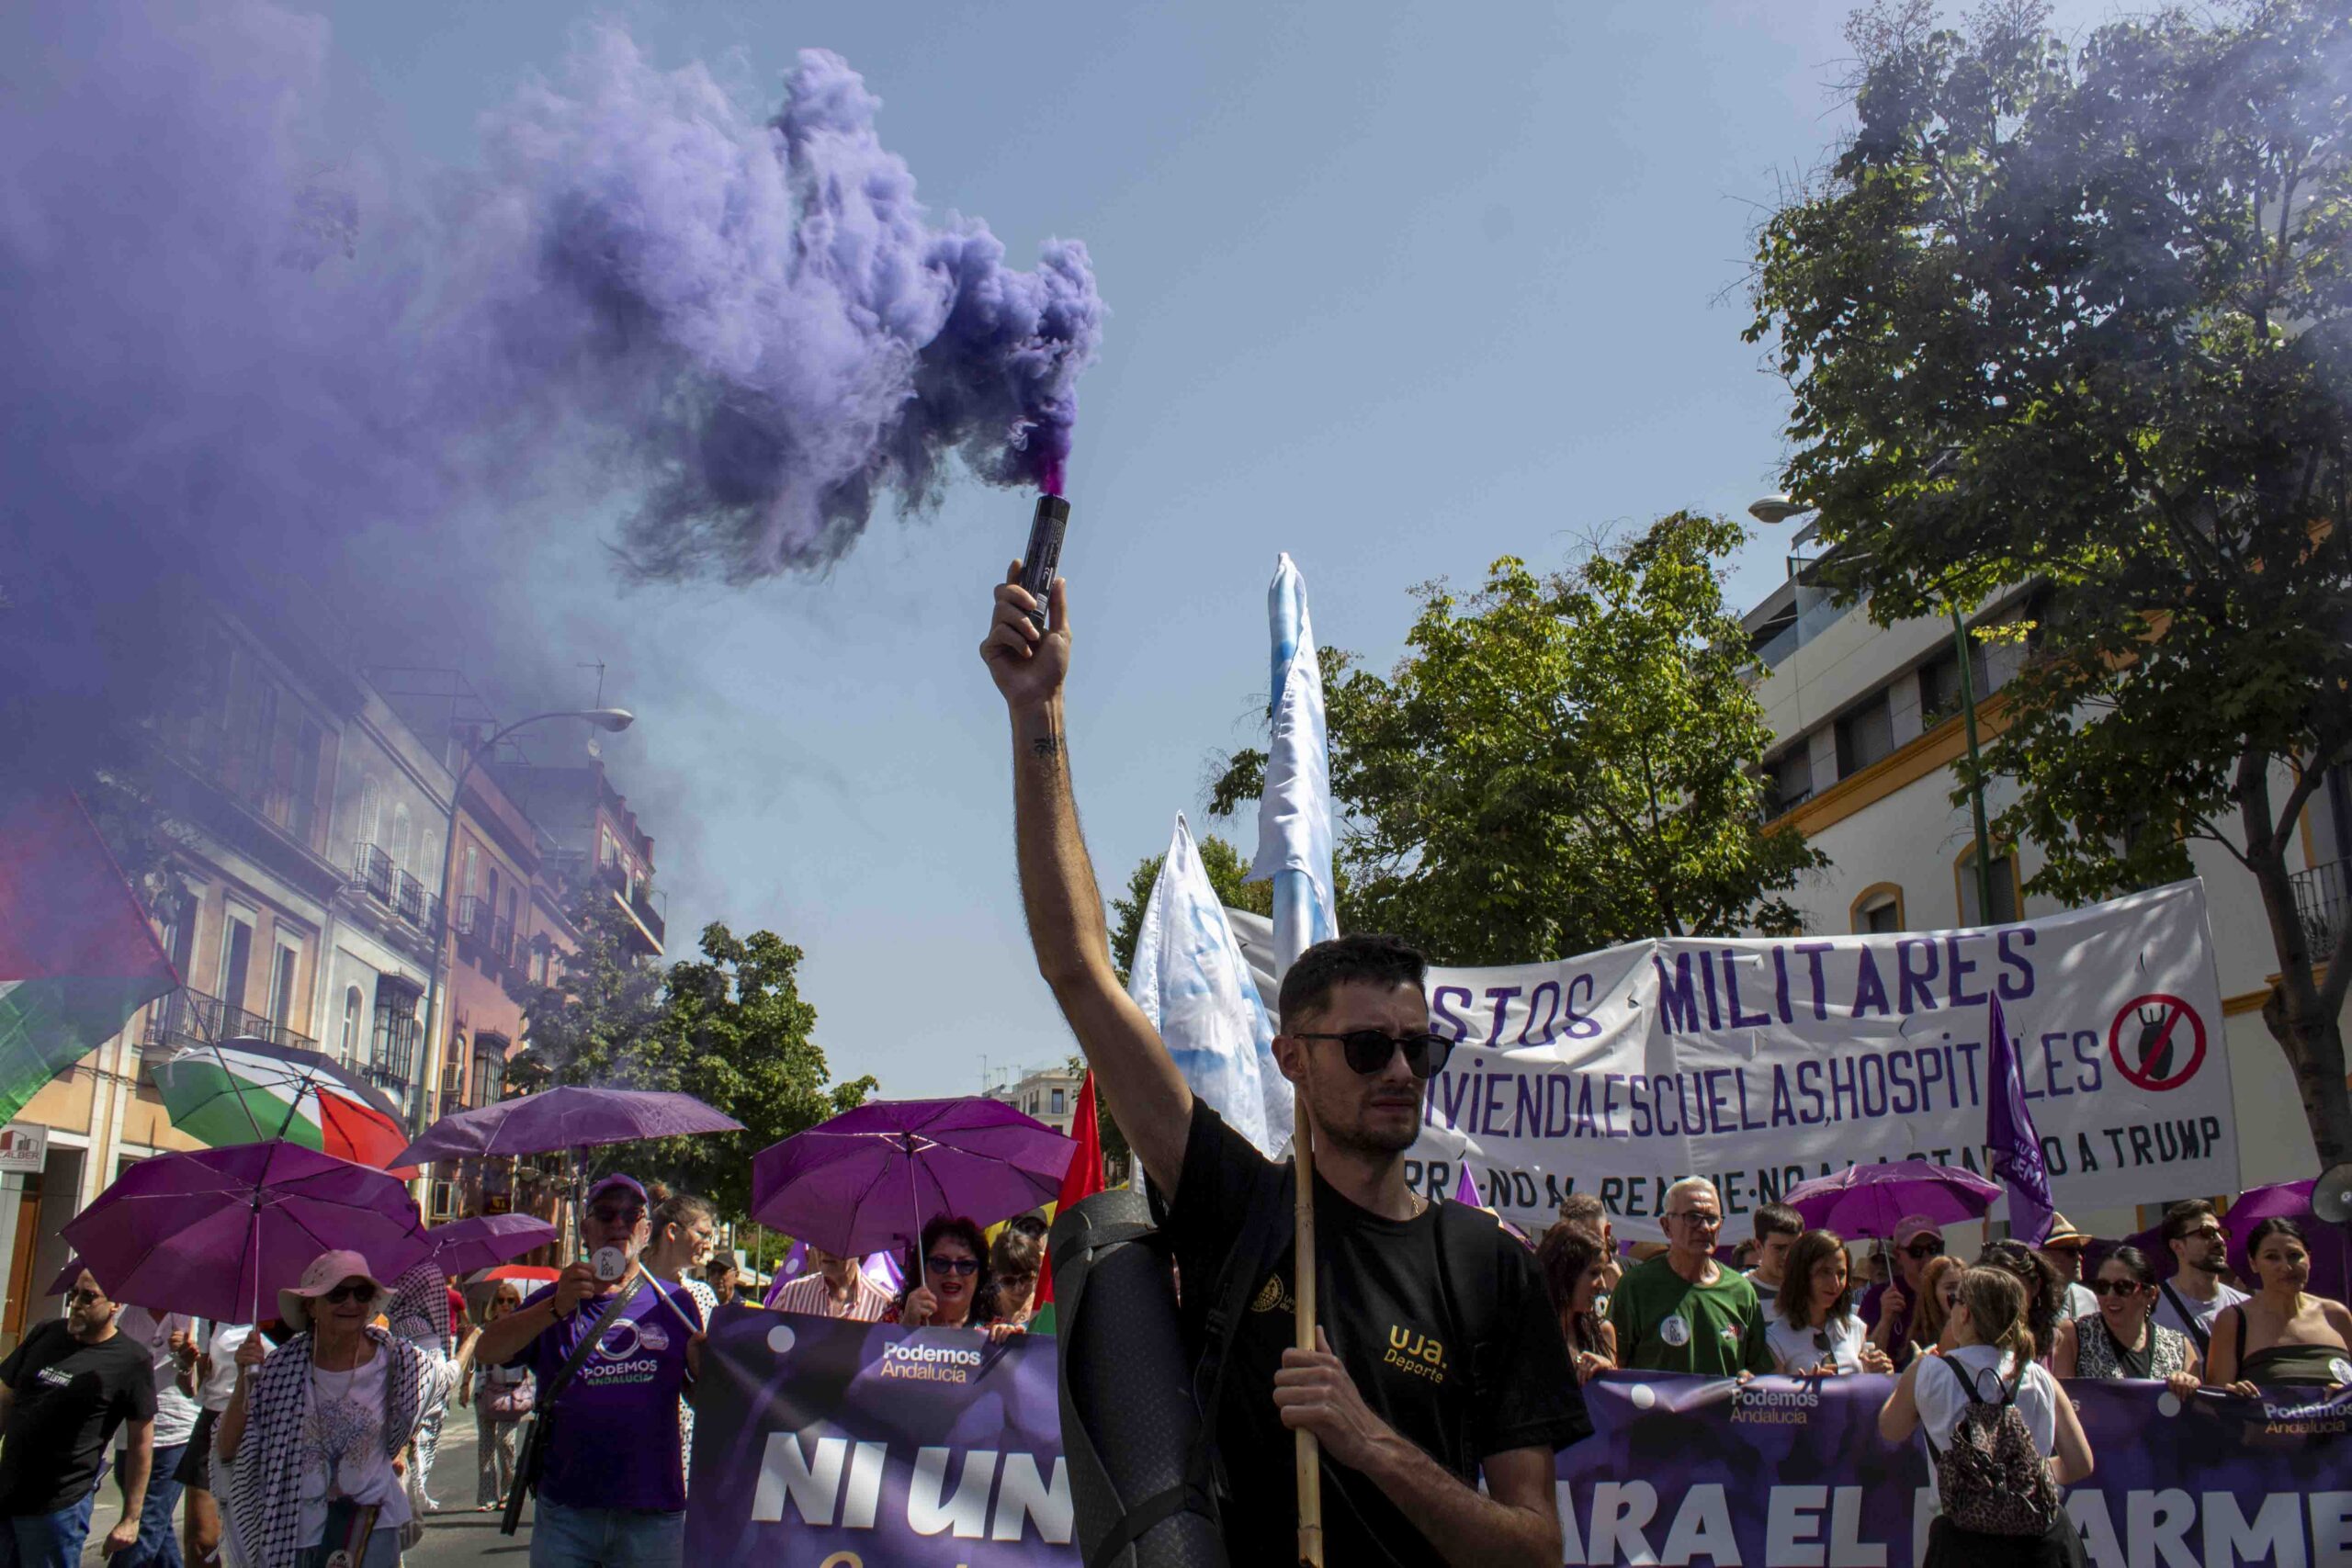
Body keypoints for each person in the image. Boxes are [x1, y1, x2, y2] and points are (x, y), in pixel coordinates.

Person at [983, 564, 1588, 1568]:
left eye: (1416, 1047)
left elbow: (1532, 1547)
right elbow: (1079, 970)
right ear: (1292, 1060)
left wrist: (1370, 1445)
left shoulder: (1488, 1270)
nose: (1399, 1068)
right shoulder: (1242, 1209)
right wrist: (1036, 714)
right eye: (1366, 1047)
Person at [470, 1173, 707, 1568]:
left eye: (631, 1215)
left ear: (646, 1229)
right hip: (568, 1514)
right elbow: (488, 1349)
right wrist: (556, 1307)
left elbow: (703, 1401)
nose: (618, 1224)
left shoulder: (676, 1303)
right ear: (586, 1228)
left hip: (652, 1513)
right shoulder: (557, 1297)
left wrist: (703, 1373)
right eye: (606, 1214)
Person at [220, 1251, 460, 1568]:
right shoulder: (279, 1369)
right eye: (337, 1294)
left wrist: (468, 1348)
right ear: (311, 1305)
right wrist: (243, 1380)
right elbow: (227, 1448)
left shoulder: (399, 1360)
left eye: (361, 1294)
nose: (351, 1303)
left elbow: (439, 1382)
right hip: (294, 1533)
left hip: (372, 1528)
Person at [1878, 1266, 2093, 1568]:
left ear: (1964, 1314)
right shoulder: (2039, 1376)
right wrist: (2019, 1473)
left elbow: (1891, 1429)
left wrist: (1913, 1370)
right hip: (2041, 1540)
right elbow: (2080, 1463)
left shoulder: (1930, 1372)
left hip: (1963, 1541)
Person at [0, 1268, 155, 1568]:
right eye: (73, 1294)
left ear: (115, 1305)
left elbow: (140, 1443)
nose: (76, 1303)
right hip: (8, 1491)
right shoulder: (46, 1333)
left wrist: (131, 1518)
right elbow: (6, 1397)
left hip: (58, 1508)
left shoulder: (131, 1360)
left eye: (89, 1296)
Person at [1607, 1178, 1773, 1375]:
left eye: (1712, 1218)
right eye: (1692, 1217)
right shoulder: (1636, 1287)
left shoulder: (1741, 1291)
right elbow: (1614, 1370)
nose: (1704, 1227)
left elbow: (1760, 1372)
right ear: (1666, 1226)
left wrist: (1750, 1379)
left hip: (1725, 1406)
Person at [2205, 1217, 2352, 1392]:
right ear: (2253, 1263)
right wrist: (2235, 1396)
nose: (2286, 1267)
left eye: (2294, 1255)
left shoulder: (2336, 1315)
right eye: (2272, 1257)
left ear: (2309, 1259)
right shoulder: (2234, 1321)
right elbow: (2213, 1403)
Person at [109, 1303, 199, 1568]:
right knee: (159, 1528)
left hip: (174, 1432)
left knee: (143, 1526)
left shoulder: (191, 1316)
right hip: (131, 1434)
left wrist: (184, 1360)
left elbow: (195, 1389)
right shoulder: (126, 1313)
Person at [2052, 1246, 2200, 1395]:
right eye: (2102, 1286)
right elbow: (2060, 1401)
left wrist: (2188, 1384)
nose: (2110, 1295)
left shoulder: (2178, 1347)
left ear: (2150, 1294)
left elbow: (2197, 1410)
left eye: (2122, 1287)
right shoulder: (2071, 1335)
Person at [645, 1188, 719, 1485]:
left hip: (684, 1440)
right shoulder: (625, 1288)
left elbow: (715, 1378)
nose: (707, 1244)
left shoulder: (702, 1295)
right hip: (630, 1436)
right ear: (672, 1231)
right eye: (702, 1234)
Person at [382, 1261, 468, 1515]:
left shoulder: (388, 1323)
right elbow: (439, 1380)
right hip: (399, 1441)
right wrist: (471, 1344)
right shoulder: (418, 1330)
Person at [178, 1320, 255, 1568]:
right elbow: (193, 1387)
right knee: (200, 1540)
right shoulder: (212, 1317)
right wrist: (185, 1365)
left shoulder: (291, 1312)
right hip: (214, 1419)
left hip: (264, 1422)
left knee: (256, 1543)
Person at [1767, 1232, 1894, 1375]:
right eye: (1824, 1272)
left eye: (1841, 1274)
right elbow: (1772, 1395)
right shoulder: (1776, 1338)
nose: (1835, 1283)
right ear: (1801, 1274)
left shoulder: (1855, 1327)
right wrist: (1805, 1390)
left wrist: (1880, 1372)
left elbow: (1867, 1386)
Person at [461, 1286, 532, 1513]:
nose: (505, 1305)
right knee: (485, 1446)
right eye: (501, 1300)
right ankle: (487, 1497)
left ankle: (509, 1490)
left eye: (511, 1301)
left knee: (506, 1442)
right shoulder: (483, 1331)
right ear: (494, 1304)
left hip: (512, 1394)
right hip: (484, 1392)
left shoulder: (523, 1331)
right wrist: (465, 1385)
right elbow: (473, 1360)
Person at [2150, 1199, 2246, 1358]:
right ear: (2177, 1246)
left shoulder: (2243, 1306)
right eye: (2206, 1233)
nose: (2220, 1241)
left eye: (2221, 1233)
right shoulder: (2153, 1310)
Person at [887, 1216, 1011, 1337]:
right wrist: (906, 1329)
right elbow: (873, 1354)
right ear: (923, 1269)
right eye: (941, 1263)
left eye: (965, 1265)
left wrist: (1012, 1343)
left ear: (980, 1274)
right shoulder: (895, 1319)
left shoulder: (994, 1332)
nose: (952, 1272)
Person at [1981, 1240, 2077, 1372]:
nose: (2003, 1297)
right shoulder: (1962, 1333)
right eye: (1993, 1288)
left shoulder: (2056, 1341)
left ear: (2035, 1287)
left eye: (2013, 1288)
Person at [1534, 1224, 1615, 1383]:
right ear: (1565, 1273)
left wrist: (1608, 1371)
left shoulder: (1602, 1332)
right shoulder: (1525, 1330)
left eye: (1603, 1273)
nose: (1603, 1285)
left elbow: (1615, 1401)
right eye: (1594, 1273)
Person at [1863, 1216, 1945, 1365]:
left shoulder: (1950, 1292)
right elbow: (1867, 1360)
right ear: (1898, 1256)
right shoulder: (1878, 1296)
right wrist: (1885, 1320)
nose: (1927, 1258)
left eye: (1934, 1249)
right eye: (1916, 1251)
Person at [769, 1247, 892, 1322]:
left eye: (836, 1244)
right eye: (819, 1240)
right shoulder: (792, 1295)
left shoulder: (883, 1306)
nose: (825, 1251)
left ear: (861, 1248)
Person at [979, 1224, 1044, 1333]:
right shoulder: (982, 1307)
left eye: (1027, 1278)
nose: (1019, 1288)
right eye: (1009, 1281)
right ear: (996, 1276)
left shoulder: (1046, 1311)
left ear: (1037, 1271)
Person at [1555, 1195, 1621, 1294]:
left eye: (1591, 1237)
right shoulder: (1549, 1277)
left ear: (1607, 1232)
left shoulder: (1629, 1275)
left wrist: (1621, 1289)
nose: (1580, 1249)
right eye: (1571, 1240)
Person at [2037, 1216, 2098, 1320]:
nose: (2079, 1257)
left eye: (2080, 1250)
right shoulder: (2029, 1301)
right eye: (2071, 1251)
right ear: (2045, 1256)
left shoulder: (2088, 1298)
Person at [1747, 1203, 1804, 1312]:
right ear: (1758, 1247)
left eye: (1795, 1247)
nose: (1788, 1256)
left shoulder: (1814, 1289)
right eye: (1779, 1248)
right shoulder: (1739, 1292)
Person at [1909, 1255, 1965, 1358]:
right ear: (1932, 1293)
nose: (1957, 1294)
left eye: (1962, 1287)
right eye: (1950, 1287)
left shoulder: (1975, 1336)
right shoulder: (1920, 1339)